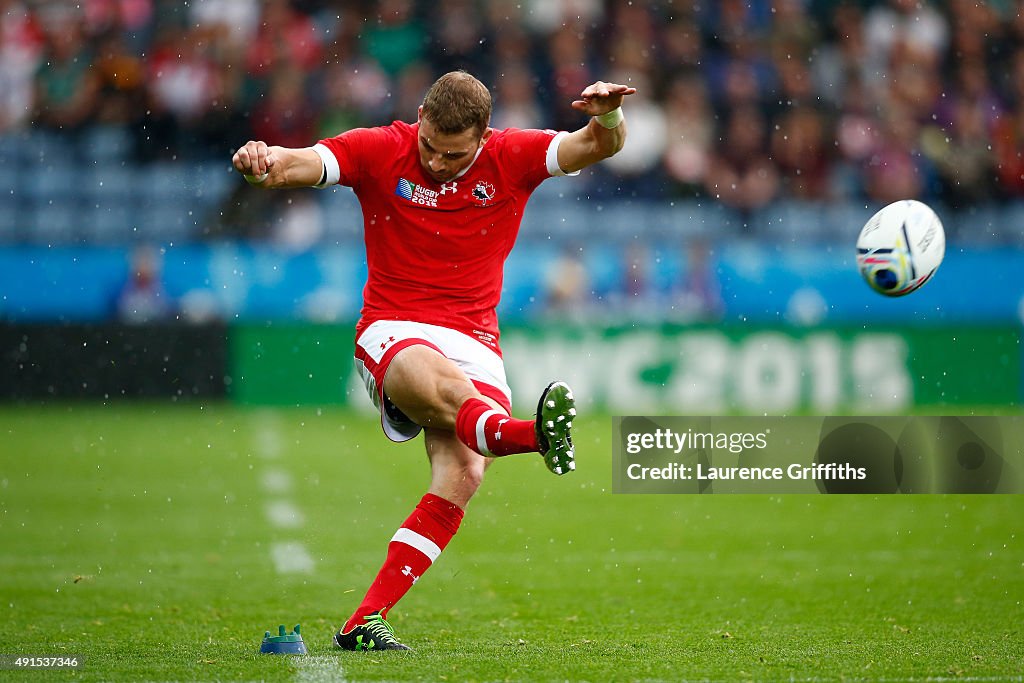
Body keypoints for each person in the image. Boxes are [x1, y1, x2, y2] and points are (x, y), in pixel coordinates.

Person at [232, 70, 634, 651]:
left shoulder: (513, 156)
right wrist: (265, 159)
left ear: (484, 136)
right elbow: (306, 162)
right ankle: (534, 437)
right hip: (394, 325)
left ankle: (363, 621)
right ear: (419, 117)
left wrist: (608, 115)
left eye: (455, 154)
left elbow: (599, 144)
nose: (439, 163)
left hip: (475, 337)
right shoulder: (381, 147)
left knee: (465, 472)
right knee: (450, 392)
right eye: (430, 147)